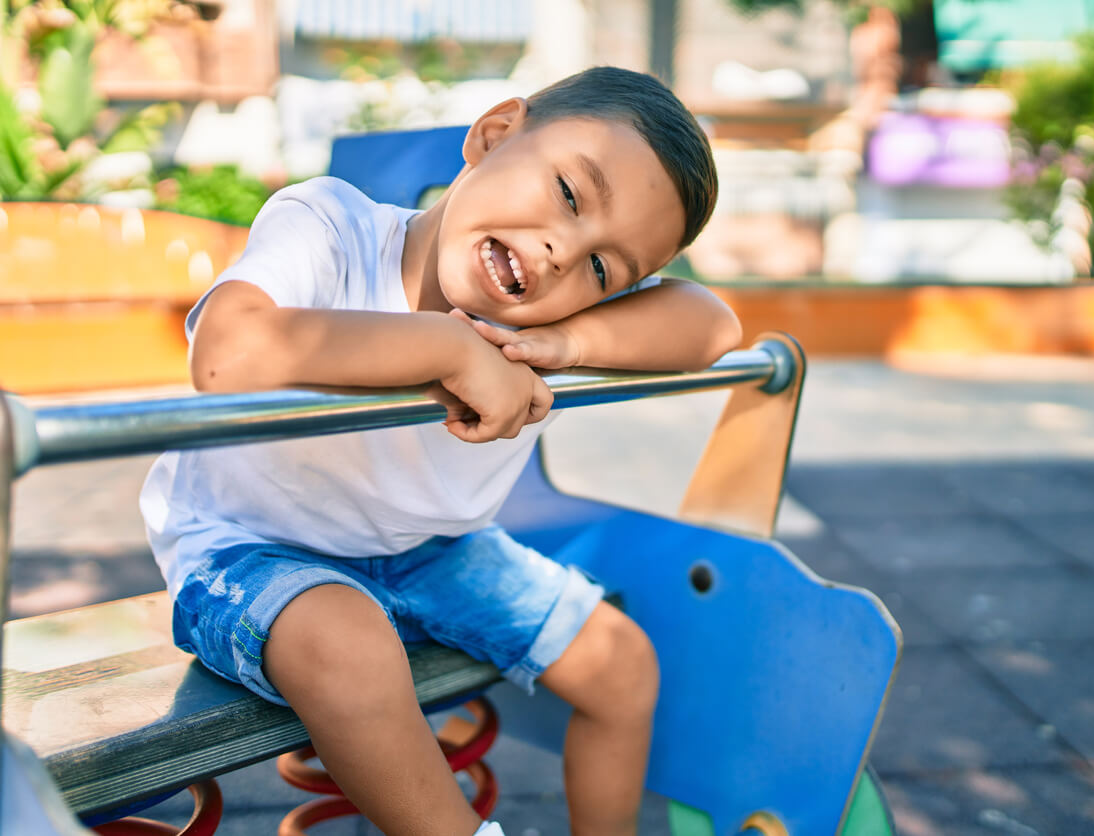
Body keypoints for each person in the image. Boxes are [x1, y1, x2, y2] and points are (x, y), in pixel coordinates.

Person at [140, 66, 741, 836]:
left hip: (427, 550)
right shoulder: (331, 226)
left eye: (603, 268)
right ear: (493, 136)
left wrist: (570, 340)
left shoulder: (554, 324)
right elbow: (226, 355)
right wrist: (448, 348)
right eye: (569, 194)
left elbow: (713, 323)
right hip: (249, 545)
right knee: (348, 644)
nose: (564, 250)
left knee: (621, 665)